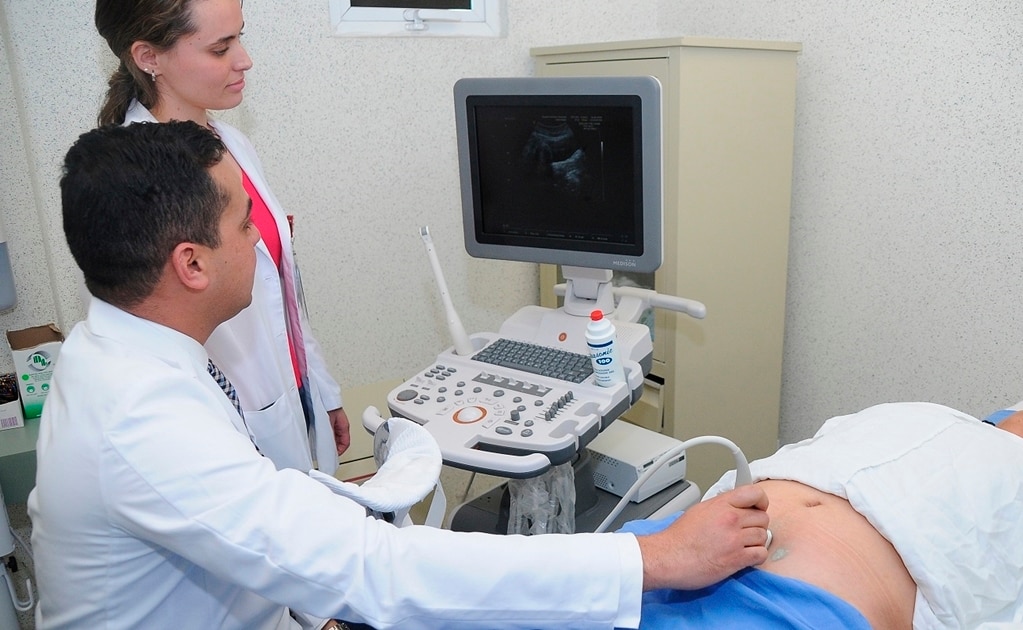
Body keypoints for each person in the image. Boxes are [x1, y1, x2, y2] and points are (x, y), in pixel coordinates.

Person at [29, 121, 771, 630]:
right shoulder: (139, 418)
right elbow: (375, 573)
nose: (262, 245)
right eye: (246, 226)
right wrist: (655, 557)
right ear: (190, 263)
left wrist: (345, 500)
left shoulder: (119, 356)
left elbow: (234, 507)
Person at [92, 0, 348, 473]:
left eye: (239, 37)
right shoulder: (144, 182)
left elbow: (282, 290)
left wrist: (321, 388)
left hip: (294, 391)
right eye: (220, 47)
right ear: (149, 57)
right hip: (233, 420)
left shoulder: (231, 143)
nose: (244, 59)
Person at [619, 401, 1023, 629]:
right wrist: (664, 553)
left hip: (799, 611)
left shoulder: (1010, 474)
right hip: (667, 549)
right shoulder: (925, 414)